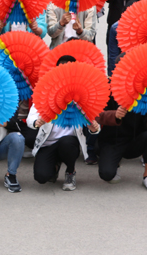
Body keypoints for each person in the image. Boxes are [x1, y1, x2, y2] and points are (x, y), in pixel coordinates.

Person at [27, 56, 101, 190]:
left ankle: (70, 171)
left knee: (66, 143)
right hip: (48, 143)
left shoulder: (82, 94)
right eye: (62, 69)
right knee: (41, 177)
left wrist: (94, 128)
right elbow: (30, 118)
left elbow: (94, 125)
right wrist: (36, 122)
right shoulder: (45, 91)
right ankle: (55, 166)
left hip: (69, 142)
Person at [95, 94, 147, 193]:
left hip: (136, 140)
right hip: (112, 140)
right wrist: (114, 115)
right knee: (106, 174)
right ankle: (116, 164)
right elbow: (97, 114)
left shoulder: (146, 93)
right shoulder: (109, 90)